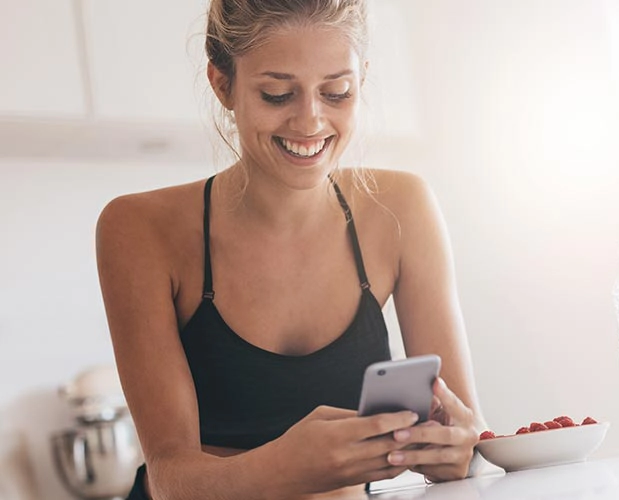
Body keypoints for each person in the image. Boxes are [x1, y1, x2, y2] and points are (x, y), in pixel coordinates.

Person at [95, 1, 484, 498]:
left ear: (361, 79)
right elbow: (171, 479)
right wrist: (285, 466)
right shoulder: (139, 228)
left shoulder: (402, 207)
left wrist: (454, 450)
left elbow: (466, 436)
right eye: (277, 94)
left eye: (336, 92)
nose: (310, 120)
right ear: (223, 85)